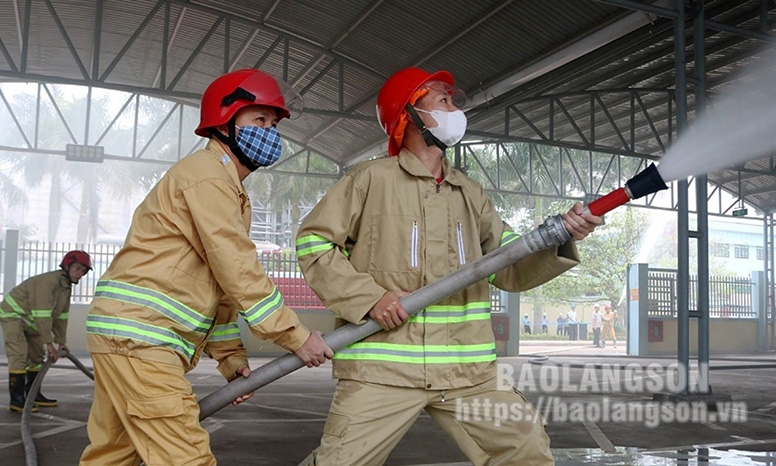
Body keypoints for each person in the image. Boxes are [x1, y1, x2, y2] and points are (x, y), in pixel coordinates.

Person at [294, 67, 601, 466]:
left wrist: (565, 237)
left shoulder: (470, 194)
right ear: (409, 115)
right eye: (443, 100)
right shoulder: (369, 180)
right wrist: (369, 298)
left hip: (467, 375)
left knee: (525, 448)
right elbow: (314, 242)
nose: (455, 109)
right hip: (383, 371)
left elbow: (510, 264)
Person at [78, 69, 333, 466]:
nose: (269, 132)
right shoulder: (208, 177)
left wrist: (231, 359)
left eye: (273, 123)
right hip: (143, 339)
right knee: (188, 458)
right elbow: (238, 269)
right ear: (225, 122)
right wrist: (295, 335)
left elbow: (223, 289)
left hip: (126, 334)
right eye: (258, 120)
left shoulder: (226, 186)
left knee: (113, 456)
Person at [1, 250, 92, 413]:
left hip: (30, 320)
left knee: (36, 357)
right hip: (13, 315)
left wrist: (61, 342)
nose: (80, 274)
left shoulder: (65, 287)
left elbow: (61, 317)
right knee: (19, 355)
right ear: (67, 265)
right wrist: (49, 343)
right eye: (78, 269)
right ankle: (17, 399)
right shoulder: (47, 282)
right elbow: (41, 313)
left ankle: (33, 395)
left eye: (83, 271)